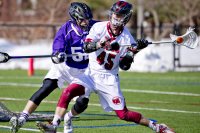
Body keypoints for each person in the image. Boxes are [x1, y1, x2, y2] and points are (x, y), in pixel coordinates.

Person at [38, 1, 175, 133]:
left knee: (124, 114)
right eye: (115, 14)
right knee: (68, 92)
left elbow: (124, 65)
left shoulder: (127, 40)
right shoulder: (98, 27)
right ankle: (54, 125)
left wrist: (134, 50)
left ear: (126, 17)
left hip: (108, 78)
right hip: (90, 73)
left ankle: (156, 126)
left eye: (119, 15)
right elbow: (86, 47)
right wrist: (102, 44)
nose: (116, 18)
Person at [9, 2, 97, 133]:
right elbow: (57, 50)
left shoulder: (95, 26)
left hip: (84, 72)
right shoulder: (66, 30)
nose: (86, 22)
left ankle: (67, 118)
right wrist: (58, 55)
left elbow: (109, 29)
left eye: (88, 18)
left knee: (82, 102)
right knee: (46, 87)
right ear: (75, 18)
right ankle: (22, 118)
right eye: (83, 19)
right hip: (64, 67)